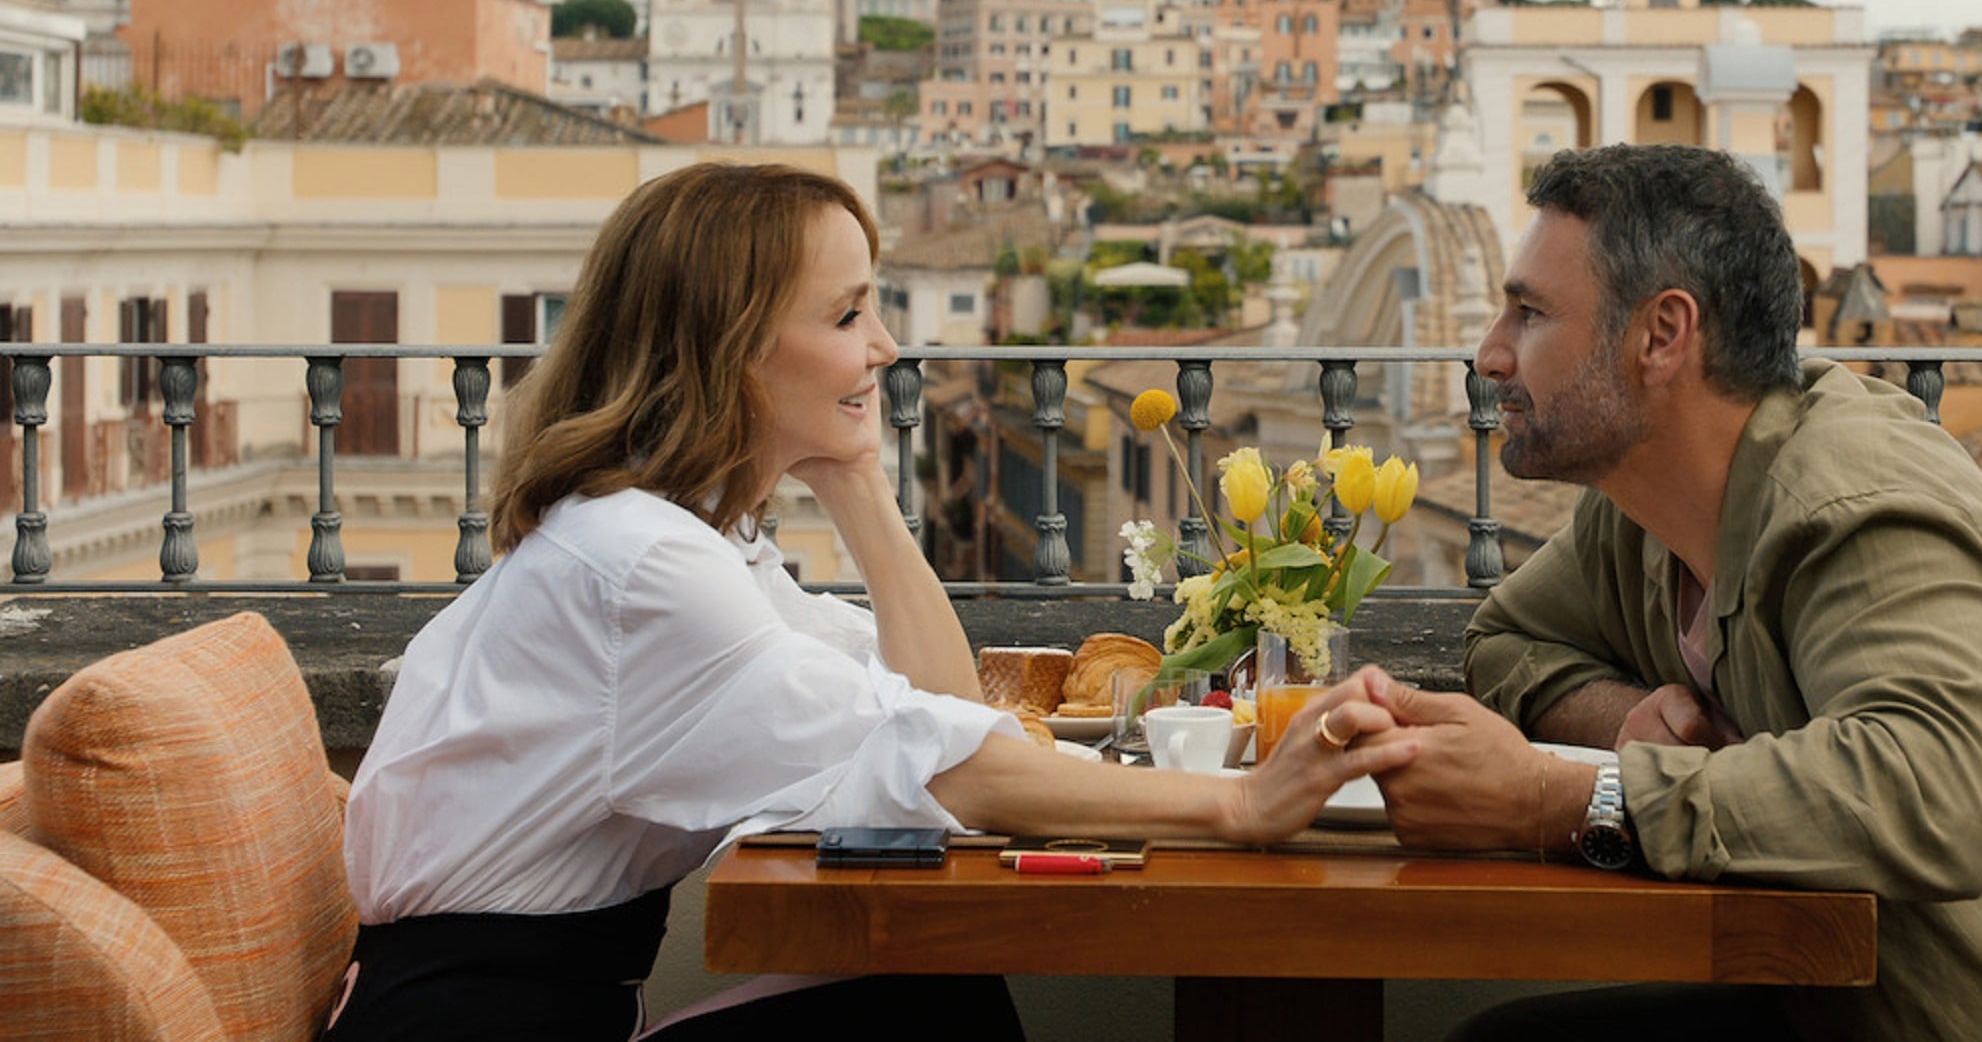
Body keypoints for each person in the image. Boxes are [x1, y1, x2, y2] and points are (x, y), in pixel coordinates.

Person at [332, 162, 1409, 1041]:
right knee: (928, 1017)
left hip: (521, 1014)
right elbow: (955, 764)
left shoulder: (690, 541)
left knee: (929, 998)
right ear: (735, 350)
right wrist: (1241, 806)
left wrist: (855, 482)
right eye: (850, 315)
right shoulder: (643, 568)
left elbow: (936, 711)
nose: (886, 348)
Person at [1357, 144, 1982, 1042]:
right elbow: (1507, 639)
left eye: (1529, 314)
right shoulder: (1647, 499)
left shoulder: (1859, 502)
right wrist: (1625, 721)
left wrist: (1556, 799)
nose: (1489, 356)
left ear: (1662, 335)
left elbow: (1932, 797)